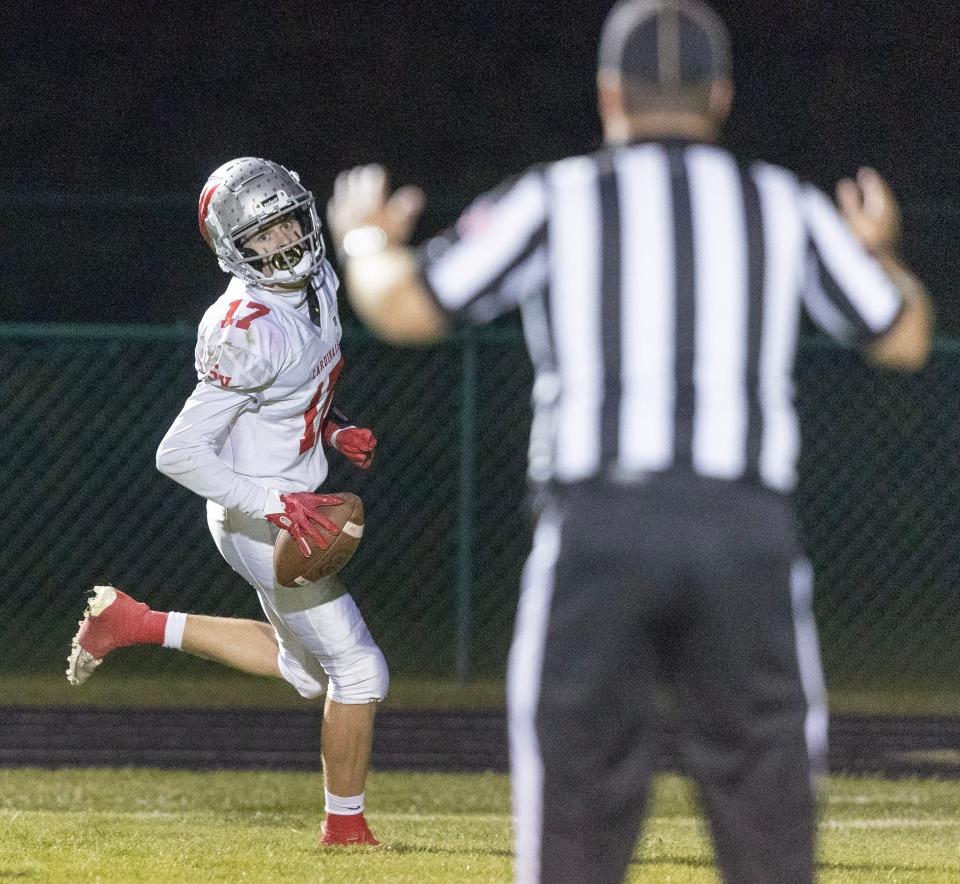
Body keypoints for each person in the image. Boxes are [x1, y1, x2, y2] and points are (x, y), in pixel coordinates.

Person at [325, 0, 934, 881]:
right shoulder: (783, 203)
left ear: (610, 93)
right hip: (743, 532)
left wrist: (365, 243)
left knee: (573, 821)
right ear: (720, 96)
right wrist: (878, 254)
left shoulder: (557, 196)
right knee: (767, 825)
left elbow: (407, 308)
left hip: (597, 532)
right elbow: (904, 335)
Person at [67, 157, 387, 848]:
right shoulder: (244, 326)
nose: (285, 244)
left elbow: (290, 392)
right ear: (231, 249)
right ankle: (345, 832)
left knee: (307, 670)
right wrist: (273, 505)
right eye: (263, 236)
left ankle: (133, 622)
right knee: (359, 668)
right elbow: (178, 453)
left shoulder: (320, 281)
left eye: (288, 224)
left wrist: (332, 426)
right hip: (255, 515)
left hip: (289, 496)